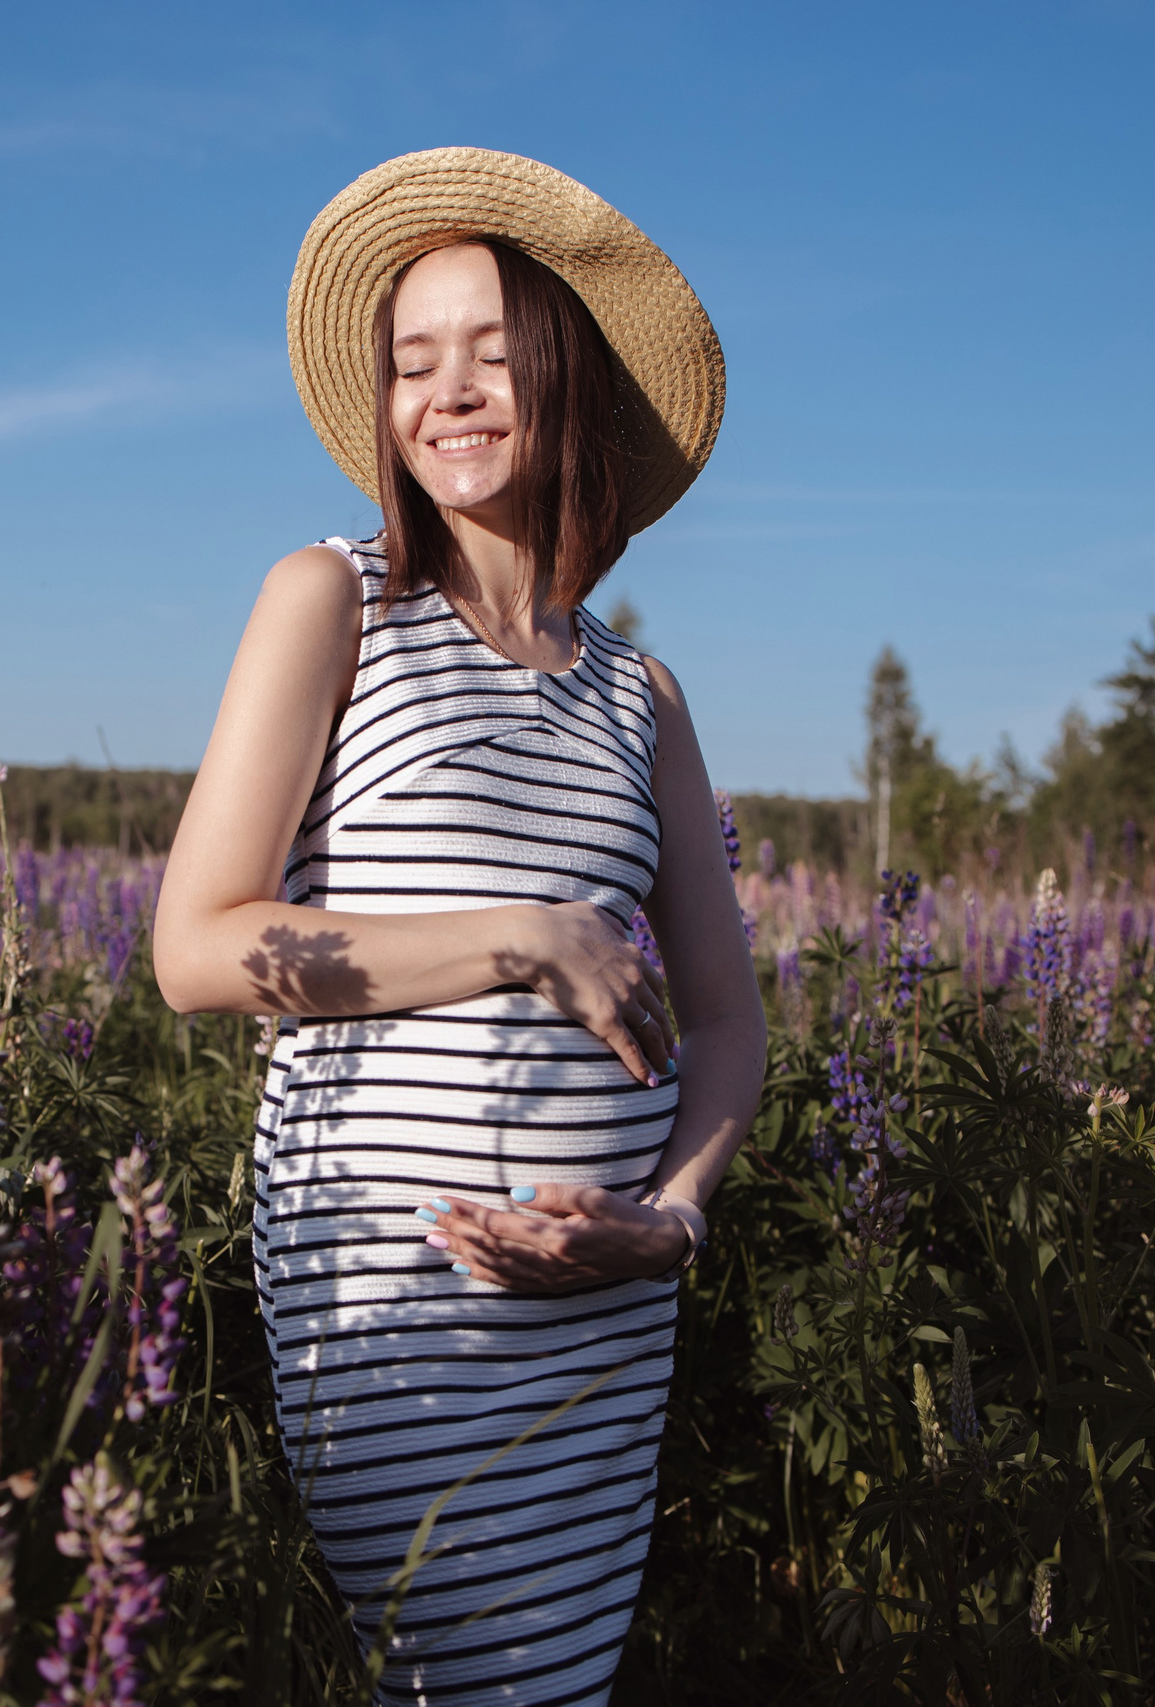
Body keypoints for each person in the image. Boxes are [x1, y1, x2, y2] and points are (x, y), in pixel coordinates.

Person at [152, 149, 767, 1703]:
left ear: (569, 378)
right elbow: (198, 948)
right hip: (386, 1281)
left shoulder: (645, 694)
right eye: (414, 361)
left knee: (557, 1680)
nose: (451, 391)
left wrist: (673, 1219)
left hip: (606, 1305)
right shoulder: (332, 600)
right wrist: (523, 935)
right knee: (442, 1671)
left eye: (493, 352)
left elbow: (732, 1021)